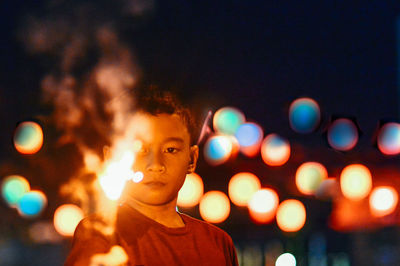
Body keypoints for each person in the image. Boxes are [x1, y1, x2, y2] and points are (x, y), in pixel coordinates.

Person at [65, 88, 239, 266]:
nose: (156, 165)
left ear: (192, 159)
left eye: (170, 150)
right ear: (113, 158)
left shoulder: (218, 243)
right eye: (140, 150)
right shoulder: (100, 234)